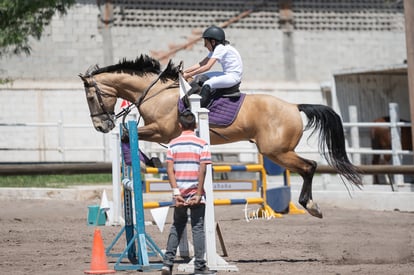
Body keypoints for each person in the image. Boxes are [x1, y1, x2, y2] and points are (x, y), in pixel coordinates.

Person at [161, 110, 214, 275]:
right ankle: (199, 267)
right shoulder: (202, 143)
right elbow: (203, 170)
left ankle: (167, 263)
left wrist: (176, 192)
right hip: (195, 192)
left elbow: (170, 170)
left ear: (179, 125)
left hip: (180, 192)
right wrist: (198, 193)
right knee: (197, 228)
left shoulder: (173, 144)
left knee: (177, 226)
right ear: (196, 125)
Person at [183, 25, 243, 107]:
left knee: (207, 84)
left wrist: (189, 75)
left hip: (233, 77)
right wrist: (184, 71)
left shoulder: (220, 48)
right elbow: (201, 64)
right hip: (226, 74)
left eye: (206, 43)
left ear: (213, 42)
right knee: (201, 77)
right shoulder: (216, 48)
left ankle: (198, 109)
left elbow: (207, 67)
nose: (205, 45)